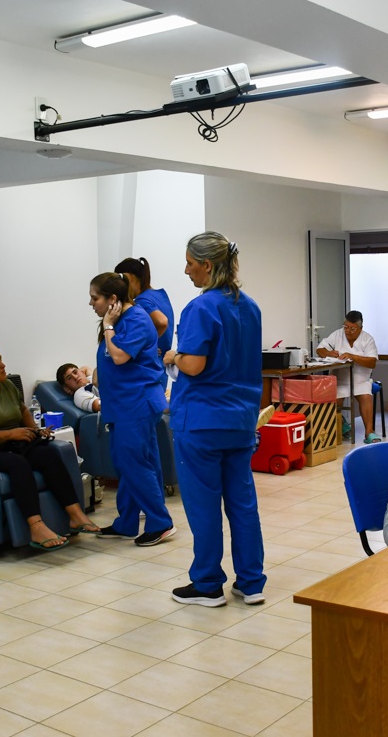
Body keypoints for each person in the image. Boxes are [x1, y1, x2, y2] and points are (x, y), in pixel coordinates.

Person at [162, 231, 265, 607]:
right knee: (242, 502)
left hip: (202, 423)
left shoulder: (201, 307)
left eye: (190, 263)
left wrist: (172, 356)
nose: (186, 270)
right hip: (240, 421)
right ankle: (251, 582)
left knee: (204, 505)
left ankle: (207, 584)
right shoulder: (250, 307)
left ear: (206, 265)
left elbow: (194, 364)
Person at [0, 341, 99, 550]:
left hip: (10, 442)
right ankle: (36, 526)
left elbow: (22, 410)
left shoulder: (6, 385)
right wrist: (12, 433)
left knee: (49, 455)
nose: (3, 365)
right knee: (18, 464)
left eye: (1, 360)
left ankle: (76, 515)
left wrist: (35, 431)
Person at [89, 272, 177, 546]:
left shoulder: (135, 319)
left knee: (134, 463)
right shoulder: (120, 320)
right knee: (129, 462)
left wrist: (108, 326)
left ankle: (160, 522)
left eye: (95, 298)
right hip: (122, 404)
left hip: (136, 403)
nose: (91, 303)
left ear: (112, 299)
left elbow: (119, 356)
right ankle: (127, 522)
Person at [316, 310, 380, 443]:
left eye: (352, 328)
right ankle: (341, 425)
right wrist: (329, 353)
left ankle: (369, 432)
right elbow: (320, 350)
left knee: (365, 397)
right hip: (340, 380)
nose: (348, 331)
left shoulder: (367, 339)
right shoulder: (337, 334)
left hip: (360, 381)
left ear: (360, 328)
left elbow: (372, 362)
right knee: (333, 402)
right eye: (346, 327)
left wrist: (353, 357)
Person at [116, 257, 175, 391]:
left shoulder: (142, 300)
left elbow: (162, 322)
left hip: (149, 370)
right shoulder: (159, 295)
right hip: (159, 369)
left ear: (130, 277)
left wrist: (147, 343)